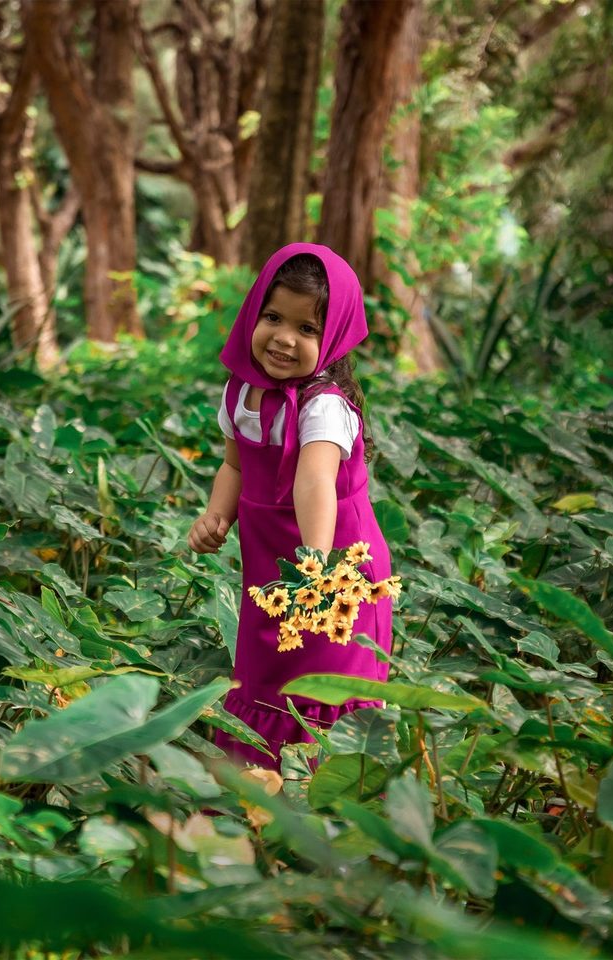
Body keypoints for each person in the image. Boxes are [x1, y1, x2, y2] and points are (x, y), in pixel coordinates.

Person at [188, 242, 393, 770]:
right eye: (274, 317)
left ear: (334, 339)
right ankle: (253, 795)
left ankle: (323, 801)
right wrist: (217, 516)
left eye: (306, 329)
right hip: (269, 565)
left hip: (331, 564)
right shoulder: (240, 392)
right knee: (266, 678)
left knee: (321, 682)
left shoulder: (324, 407)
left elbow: (315, 482)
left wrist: (315, 571)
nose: (283, 339)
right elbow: (235, 465)